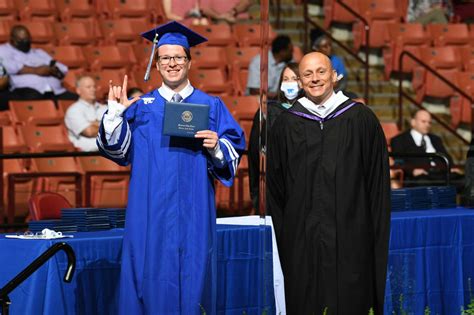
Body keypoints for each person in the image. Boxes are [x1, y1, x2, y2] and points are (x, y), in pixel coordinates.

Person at [96, 21, 245, 314]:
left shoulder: (210, 106)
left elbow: (233, 151)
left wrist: (216, 146)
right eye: (165, 57)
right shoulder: (141, 107)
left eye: (179, 57)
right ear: (157, 63)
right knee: (146, 272)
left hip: (194, 212)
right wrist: (114, 116)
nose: (172, 63)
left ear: (189, 61)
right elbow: (118, 150)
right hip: (149, 212)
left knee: (194, 276)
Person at [266, 52, 391, 314]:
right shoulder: (287, 124)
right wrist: (290, 233)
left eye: (321, 72)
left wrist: (367, 231)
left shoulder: (361, 120)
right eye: (308, 74)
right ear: (300, 82)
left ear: (334, 76)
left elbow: (376, 186)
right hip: (303, 239)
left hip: (351, 236)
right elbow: (276, 189)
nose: (315, 79)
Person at [248, 62, 302, 211]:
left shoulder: (310, 112)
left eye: (295, 78)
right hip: (274, 183)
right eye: (286, 79)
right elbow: (255, 151)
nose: (290, 83)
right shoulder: (269, 111)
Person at [0, 25, 77, 101]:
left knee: (80, 100)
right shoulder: (4, 50)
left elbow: (60, 67)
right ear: (12, 39)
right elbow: (8, 66)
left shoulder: (39, 52)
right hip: (27, 90)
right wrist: (37, 70)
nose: (25, 42)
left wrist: (54, 70)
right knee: (34, 97)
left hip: (55, 91)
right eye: (21, 40)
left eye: (27, 40)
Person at [390, 109, 463, 187]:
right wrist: (412, 170)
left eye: (429, 122)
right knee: (423, 183)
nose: (427, 125)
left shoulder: (436, 139)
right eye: (423, 121)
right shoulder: (399, 140)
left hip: (441, 175)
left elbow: (446, 156)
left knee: (465, 181)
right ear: (413, 122)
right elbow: (399, 161)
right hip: (418, 177)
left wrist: (451, 167)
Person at [65, 75, 107, 152]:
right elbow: (89, 132)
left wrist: (95, 124)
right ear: (78, 90)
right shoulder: (74, 110)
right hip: (88, 154)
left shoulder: (105, 108)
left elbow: (120, 128)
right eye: (88, 87)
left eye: (94, 87)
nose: (93, 89)